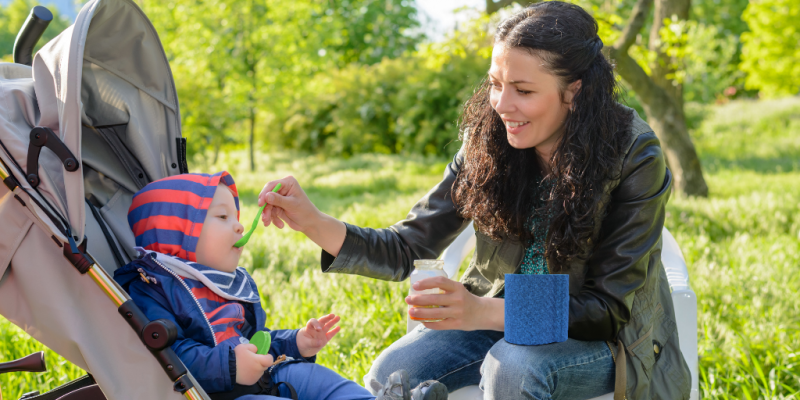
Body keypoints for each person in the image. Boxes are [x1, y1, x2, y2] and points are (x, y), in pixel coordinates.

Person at [255, 2, 692, 399]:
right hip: (495, 318)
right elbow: (408, 246)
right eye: (495, 84)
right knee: (395, 372)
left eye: (523, 90)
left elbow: (606, 312)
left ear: (573, 92)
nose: (502, 104)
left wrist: (481, 310)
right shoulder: (488, 142)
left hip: (603, 343)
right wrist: (311, 221)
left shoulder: (635, 155)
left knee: (515, 368)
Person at [113, 172, 448, 400]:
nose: (239, 225)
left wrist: (297, 342)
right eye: (222, 217)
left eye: (236, 216)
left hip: (266, 375)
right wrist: (231, 365)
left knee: (321, 382)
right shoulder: (152, 287)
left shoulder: (225, 285)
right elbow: (169, 356)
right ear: (177, 232)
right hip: (217, 393)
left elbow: (258, 341)